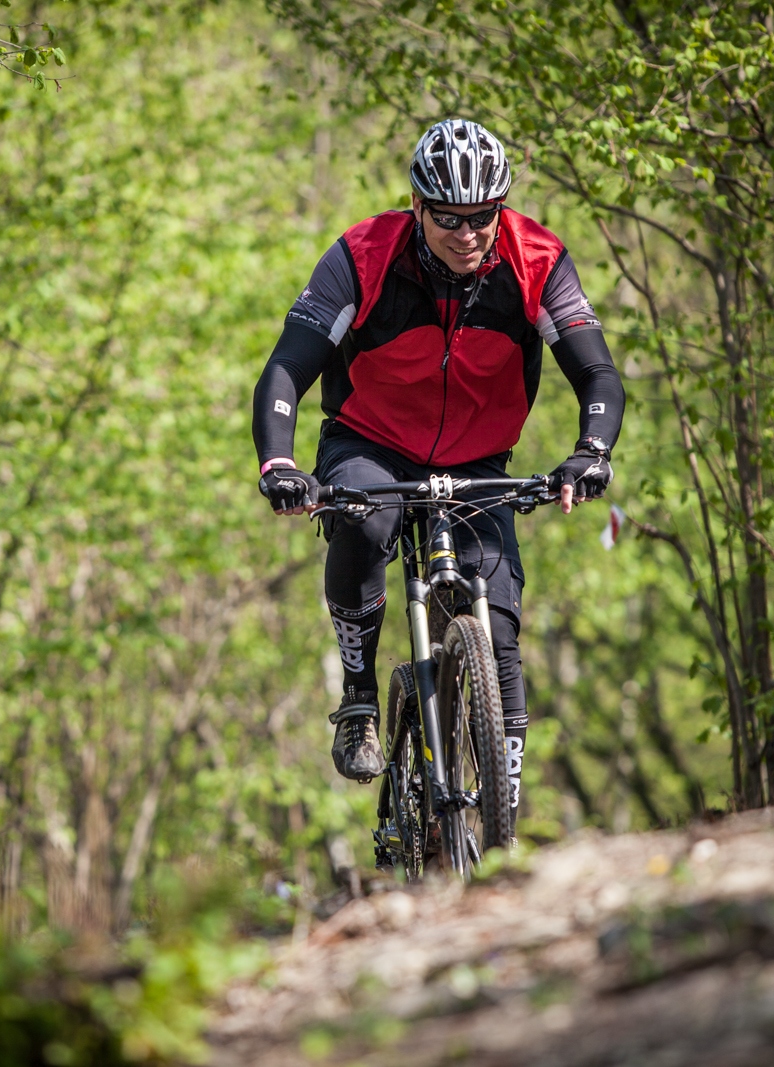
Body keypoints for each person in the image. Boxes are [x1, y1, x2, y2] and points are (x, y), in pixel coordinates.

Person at [251, 119, 624, 825]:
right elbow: (287, 367)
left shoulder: (537, 259)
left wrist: (591, 451)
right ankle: (359, 698)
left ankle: (501, 818)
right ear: (417, 206)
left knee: (498, 628)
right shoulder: (362, 256)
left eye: (482, 215)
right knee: (367, 523)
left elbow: (597, 372)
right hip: (371, 439)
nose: (467, 232)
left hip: (478, 458)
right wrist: (280, 462)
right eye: (448, 217)